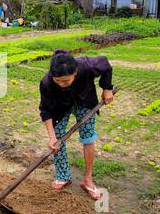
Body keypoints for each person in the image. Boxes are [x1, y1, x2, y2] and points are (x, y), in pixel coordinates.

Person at [39, 49, 114, 200]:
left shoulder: (86, 65)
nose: (61, 84)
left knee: (88, 137)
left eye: (66, 81)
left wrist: (107, 88)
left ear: (76, 72)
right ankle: (63, 176)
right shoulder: (46, 82)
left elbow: (106, 64)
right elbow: (45, 110)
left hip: (84, 101)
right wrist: (52, 137)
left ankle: (87, 180)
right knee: (57, 141)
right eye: (57, 80)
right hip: (60, 109)